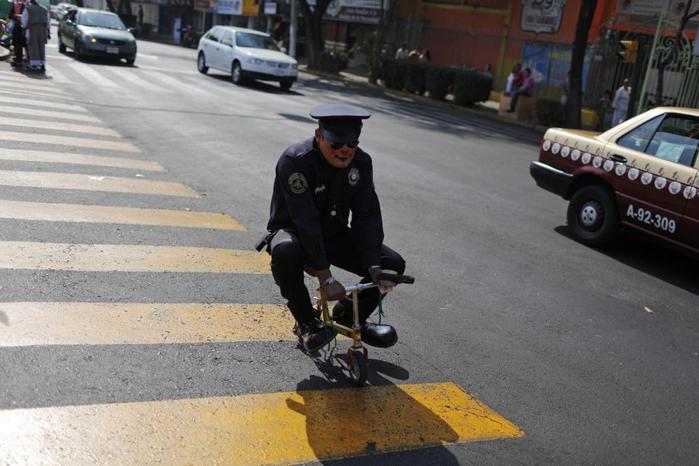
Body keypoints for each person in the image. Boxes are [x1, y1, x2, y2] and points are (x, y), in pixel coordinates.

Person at [262, 103, 406, 353]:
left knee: (391, 263)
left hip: (333, 235)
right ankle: (308, 323)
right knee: (285, 251)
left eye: (352, 143)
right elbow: (304, 220)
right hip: (294, 234)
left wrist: (374, 266)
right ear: (319, 136)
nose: (345, 150)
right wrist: (325, 277)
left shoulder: (361, 164)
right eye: (336, 143)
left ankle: (349, 316)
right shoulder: (295, 161)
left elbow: (367, 216)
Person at [20, 0, 48, 72]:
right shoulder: (44, 9)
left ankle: (34, 65)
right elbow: (48, 21)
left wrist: (24, 27)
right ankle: (42, 65)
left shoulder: (28, 8)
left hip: (32, 29)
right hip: (43, 29)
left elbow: (24, 20)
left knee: (33, 46)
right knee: (41, 46)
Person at [10, 0, 26, 68]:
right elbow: (10, 15)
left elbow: (26, 17)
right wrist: (15, 16)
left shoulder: (25, 7)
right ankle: (18, 58)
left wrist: (20, 16)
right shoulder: (14, 5)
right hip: (16, 26)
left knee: (20, 44)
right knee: (17, 43)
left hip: (22, 28)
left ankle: (19, 59)